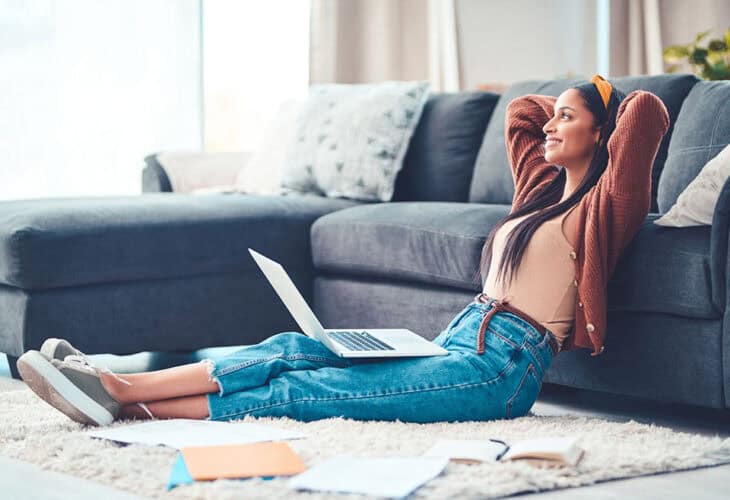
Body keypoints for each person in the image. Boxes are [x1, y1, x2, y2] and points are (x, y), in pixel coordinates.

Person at [16, 74, 670, 427]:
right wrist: (569, 107)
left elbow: (646, 116)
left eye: (568, 117)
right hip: (454, 341)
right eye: (555, 114)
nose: (549, 124)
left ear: (602, 133)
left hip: (500, 371)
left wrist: (605, 101)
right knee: (293, 346)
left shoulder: (604, 209)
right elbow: (520, 116)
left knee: (308, 389)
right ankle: (112, 377)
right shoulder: (538, 193)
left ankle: (117, 398)